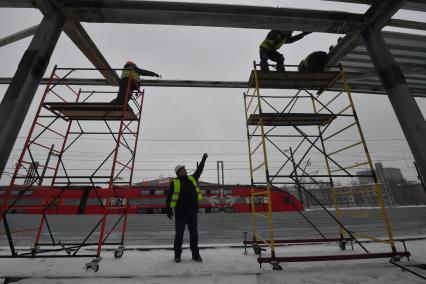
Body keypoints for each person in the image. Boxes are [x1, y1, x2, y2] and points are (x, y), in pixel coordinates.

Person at [166, 153, 208, 263]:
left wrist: (203, 160)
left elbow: (199, 170)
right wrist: (168, 209)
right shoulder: (174, 182)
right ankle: (177, 255)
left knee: (194, 234)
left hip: (192, 213)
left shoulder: (192, 179)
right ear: (178, 172)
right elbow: (169, 197)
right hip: (180, 213)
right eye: (183, 169)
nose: (185, 170)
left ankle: (195, 254)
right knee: (179, 235)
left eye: (184, 169)